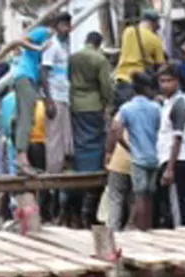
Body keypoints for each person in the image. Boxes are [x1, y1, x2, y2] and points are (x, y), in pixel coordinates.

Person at [69, 30, 115, 225]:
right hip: (93, 105)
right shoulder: (100, 59)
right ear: (99, 43)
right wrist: (108, 103)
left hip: (75, 105)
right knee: (95, 142)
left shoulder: (73, 58)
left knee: (80, 143)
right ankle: (91, 176)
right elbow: (106, 85)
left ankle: (79, 172)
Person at [110, 71, 161, 230]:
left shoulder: (126, 108)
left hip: (137, 157)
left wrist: (128, 147)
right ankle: (148, 228)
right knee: (150, 196)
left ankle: (140, 230)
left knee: (138, 196)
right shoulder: (155, 107)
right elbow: (160, 129)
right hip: (154, 156)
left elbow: (116, 130)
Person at [153, 65, 185, 227]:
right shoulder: (168, 103)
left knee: (176, 204)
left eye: (169, 81)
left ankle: (182, 232)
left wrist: (170, 168)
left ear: (177, 82)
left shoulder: (179, 105)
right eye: (162, 81)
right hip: (165, 158)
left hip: (176, 160)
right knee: (167, 204)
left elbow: (178, 137)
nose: (165, 85)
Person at [13, 19, 53, 172]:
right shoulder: (44, 32)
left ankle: (21, 159)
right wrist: (38, 47)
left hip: (28, 78)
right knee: (27, 117)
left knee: (21, 117)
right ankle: (22, 159)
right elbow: (21, 41)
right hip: (25, 76)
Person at [42, 13, 74, 176]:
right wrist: (48, 100)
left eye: (68, 25)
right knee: (54, 136)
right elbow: (44, 72)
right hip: (54, 95)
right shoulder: (52, 46)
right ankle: (53, 173)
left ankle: (61, 169)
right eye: (63, 25)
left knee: (64, 136)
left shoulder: (66, 46)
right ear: (56, 27)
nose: (66, 29)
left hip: (64, 95)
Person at [115, 10, 167, 103]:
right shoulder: (155, 40)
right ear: (153, 23)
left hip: (121, 79)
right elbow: (161, 66)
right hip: (139, 83)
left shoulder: (127, 31)